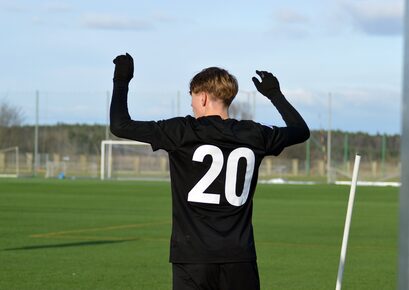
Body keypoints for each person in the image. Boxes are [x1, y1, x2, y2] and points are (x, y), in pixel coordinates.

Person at [110, 53, 310, 290]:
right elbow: (300, 130)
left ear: (203, 97)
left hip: (193, 257)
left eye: (193, 97)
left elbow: (120, 125)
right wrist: (274, 95)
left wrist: (121, 80)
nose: (192, 104)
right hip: (239, 257)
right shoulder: (255, 134)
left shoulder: (182, 131)